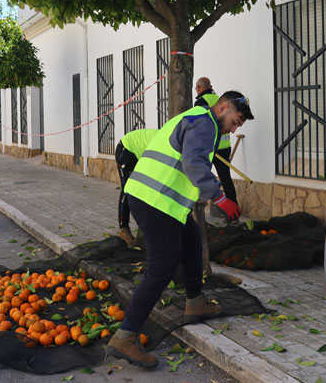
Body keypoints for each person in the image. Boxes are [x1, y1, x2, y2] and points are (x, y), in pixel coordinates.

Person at [106, 91, 254, 368]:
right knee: (161, 267)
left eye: (239, 126)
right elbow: (193, 163)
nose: (235, 129)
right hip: (154, 200)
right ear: (223, 107)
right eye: (236, 120)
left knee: (192, 239)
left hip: (163, 201)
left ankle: (195, 302)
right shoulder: (204, 123)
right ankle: (125, 337)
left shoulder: (197, 119)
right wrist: (219, 196)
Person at [193, 77, 254, 205]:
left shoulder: (202, 102)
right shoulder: (220, 98)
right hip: (224, 147)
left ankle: (208, 206)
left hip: (210, 148)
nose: (233, 131)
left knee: (203, 176)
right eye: (234, 123)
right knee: (225, 178)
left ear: (198, 88)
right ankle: (231, 204)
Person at [115, 128, 158, 247]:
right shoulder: (166, 145)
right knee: (128, 189)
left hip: (140, 154)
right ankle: (123, 230)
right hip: (127, 149)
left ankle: (144, 228)